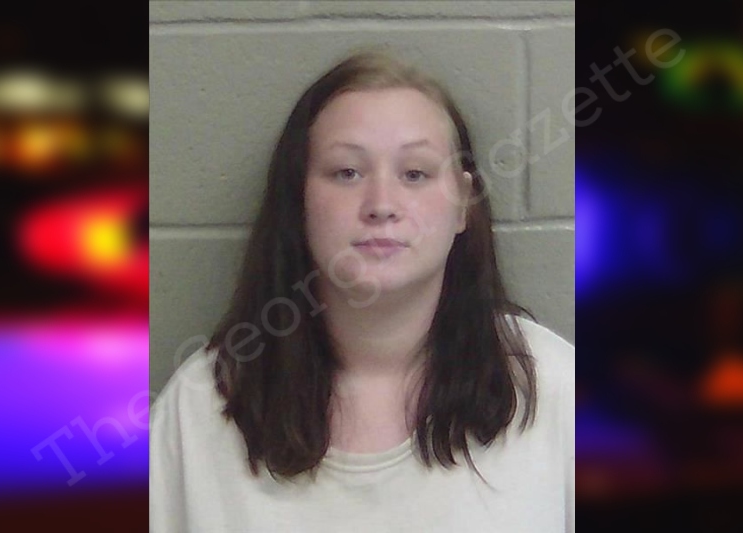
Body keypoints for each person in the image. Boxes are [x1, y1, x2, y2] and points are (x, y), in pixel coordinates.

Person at [150, 50, 574, 532]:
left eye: (415, 173)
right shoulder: (203, 406)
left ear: (462, 203)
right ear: (299, 200)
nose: (381, 204)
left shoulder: (558, 392)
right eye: (347, 172)